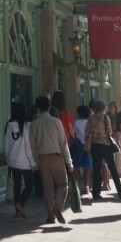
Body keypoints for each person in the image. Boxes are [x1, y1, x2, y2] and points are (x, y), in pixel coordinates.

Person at [29, 94, 73, 225]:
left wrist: (35, 161)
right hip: (57, 156)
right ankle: (57, 207)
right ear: (49, 107)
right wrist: (69, 161)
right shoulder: (56, 122)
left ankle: (50, 216)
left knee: (47, 188)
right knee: (63, 185)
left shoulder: (34, 124)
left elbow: (32, 145)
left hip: (42, 158)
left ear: (38, 108)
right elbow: (63, 144)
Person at [84, 99, 121, 201]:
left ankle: (96, 193)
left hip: (95, 146)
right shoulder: (105, 117)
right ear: (103, 108)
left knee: (96, 169)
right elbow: (109, 131)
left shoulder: (91, 118)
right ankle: (120, 191)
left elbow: (87, 132)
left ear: (94, 108)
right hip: (106, 145)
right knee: (112, 168)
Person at [4, 103, 36, 219]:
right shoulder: (26, 126)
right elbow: (28, 146)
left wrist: (8, 159)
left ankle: (17, 209)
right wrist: (33, 163)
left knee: (17, 185)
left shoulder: (8, 125)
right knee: (29, 185)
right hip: (25, 161)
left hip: (13, 161)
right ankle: (20, 204)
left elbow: (6, 145)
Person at [71, 104, 92, 195]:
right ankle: (86, 186)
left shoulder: (76, 123)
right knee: (87, 166)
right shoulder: (89, 123)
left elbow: (72, 134)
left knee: (76, 166)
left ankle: (75, 187)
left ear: (79, 113)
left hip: (78, 146)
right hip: (87, 146)